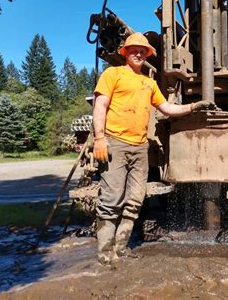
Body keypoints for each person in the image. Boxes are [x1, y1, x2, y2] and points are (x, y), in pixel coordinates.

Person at [92, 32, 215, 265]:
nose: (138, 54)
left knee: (135, 200)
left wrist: (194, 107)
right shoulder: (113, 74)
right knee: (111, 200)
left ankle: (121, 248)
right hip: (115, 144)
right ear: (125, 52)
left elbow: (167, 108)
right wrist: (100, 138)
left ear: (146, 55)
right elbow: (100, 105)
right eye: (134, 50)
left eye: (142, 51)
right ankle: (104, 254)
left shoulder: (149, 83)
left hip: (139, 148)